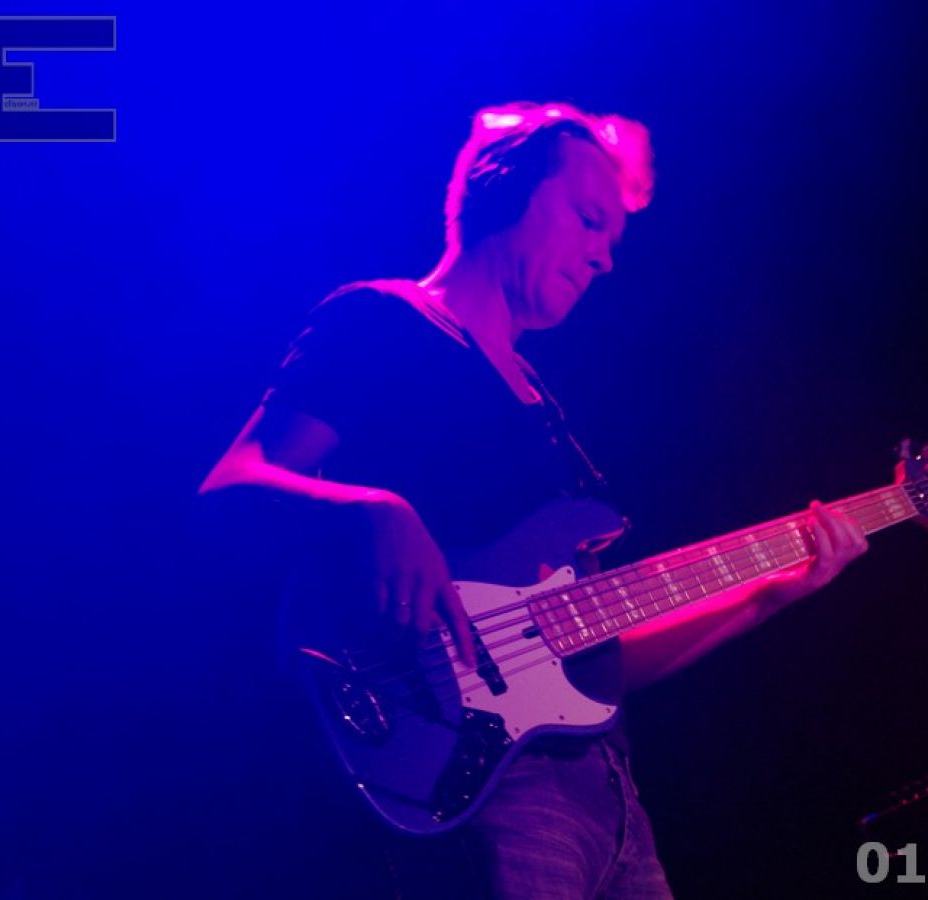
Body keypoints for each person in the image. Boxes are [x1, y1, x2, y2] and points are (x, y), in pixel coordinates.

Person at [199, 101, 868, 899]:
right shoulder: (383, 321)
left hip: (614, 804)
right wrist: (370, 510)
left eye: (612, 239)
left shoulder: (547, 413)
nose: (604, 259)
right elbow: (231, 485)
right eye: (589, 220)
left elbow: (596, 656)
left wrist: (769, 593)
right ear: (501, 186)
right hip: (485, 788)